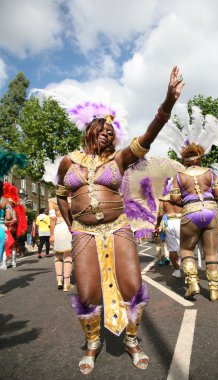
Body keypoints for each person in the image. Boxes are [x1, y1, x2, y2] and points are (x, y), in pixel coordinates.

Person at [55, 66, 184, 375]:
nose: (107, 132)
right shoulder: (68, 161)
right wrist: (72, 223)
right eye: (102, 128)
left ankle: (131, 339)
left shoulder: (120, 159)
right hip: (83, 231)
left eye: (111, 131)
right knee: (86, 293)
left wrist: (167, 103)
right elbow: (60, 194)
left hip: (118, 227)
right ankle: (92, 344)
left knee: (133, 286)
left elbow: (149, 136)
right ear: (89, 129)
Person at [170, 144, 218, 301]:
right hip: (211, 211)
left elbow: (173, 199)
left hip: (190, 214)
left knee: (186, 250)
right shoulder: (211, 173)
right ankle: (214, 291)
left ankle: (192, 284)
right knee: (211, 253)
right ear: (200, 158)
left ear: (185, 161)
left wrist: (186, 202)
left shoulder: (179, 176)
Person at [48, 197, 73, 291]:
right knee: (68, 256)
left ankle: (59, 279)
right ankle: (67, 283)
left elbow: (52, 218)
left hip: (57, 228)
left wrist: (51, 235)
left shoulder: (52, 201)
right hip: (68, 228)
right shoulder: (71, 200)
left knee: (58, 255)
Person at [156, 196, 182, 277]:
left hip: (170, 223)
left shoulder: (163, 199)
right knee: (186, 247)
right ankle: (190, 270)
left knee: (173, 250)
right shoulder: (182, 194)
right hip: (183, 221)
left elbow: (160, 214)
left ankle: (177, 271)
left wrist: (157, 224)